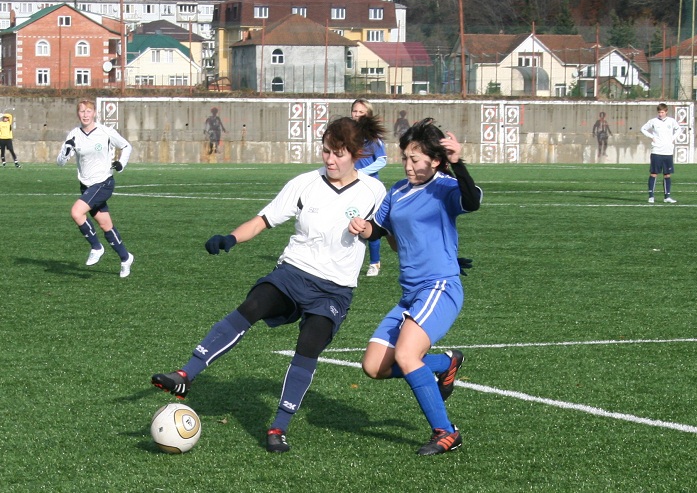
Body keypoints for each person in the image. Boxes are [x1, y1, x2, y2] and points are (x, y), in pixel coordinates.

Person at [151, 116, 387, 453]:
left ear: (355, 154)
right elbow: (264, 220)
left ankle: (279, 426)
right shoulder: (305, 183)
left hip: (335, 289)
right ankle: (185, 375)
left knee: (310, 342)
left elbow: (385, 231)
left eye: (337, 153)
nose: (329, 160)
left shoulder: (373, 190)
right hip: (293, 273)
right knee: (254, 305)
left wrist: (367, 230)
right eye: (325, 151)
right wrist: (230, 238)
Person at [348, 118, 482, 456]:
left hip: (440, 287)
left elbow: (473, 200)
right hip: (411, 293)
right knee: (374, 366)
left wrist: (458, 162)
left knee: (407, 356)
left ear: (435, 160)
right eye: (405, 157)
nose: (408, 165)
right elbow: (379, 230)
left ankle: (446, 432)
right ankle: (445, 364)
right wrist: (364, 228)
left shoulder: (445, 186)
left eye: (416, 159)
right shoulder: (397, 191)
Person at [57, 99, 134, 278]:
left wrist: (121, 163)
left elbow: (126, 146)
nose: (85, 114)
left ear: (94, 113)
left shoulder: (105, 132)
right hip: (86, 185)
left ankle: (96, 247)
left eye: (88, 111)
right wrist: (66, 151)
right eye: (82, 111)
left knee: (77, 213)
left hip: (104, 182)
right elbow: (60, 162)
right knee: (105, 224)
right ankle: (125, 257)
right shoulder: (74, 134)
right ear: (78, 114)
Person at [350, 98, 387, 277]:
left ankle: (374, 263)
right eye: (354, 111)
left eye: (361, 112)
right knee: (350, 221)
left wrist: (362, 172)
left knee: (371, 224)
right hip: (351, 185)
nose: (357, 115)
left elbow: (382, 160)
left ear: (368, 115)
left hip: (370, 186)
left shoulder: (373, 137)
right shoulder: (348, 133)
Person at [641, 102, 681, 204]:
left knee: (667, 175)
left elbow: (679, 129)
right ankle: (651, 196)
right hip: (657, 151)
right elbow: (643, 129)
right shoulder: (653, 121)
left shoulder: (671, 121)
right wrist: (652, 137)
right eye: (659, 112)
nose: (660, 114)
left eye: (662, 112)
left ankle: (667, 197)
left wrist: (672, 138)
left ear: (666, 112)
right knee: (654, 174)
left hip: (668, 152)